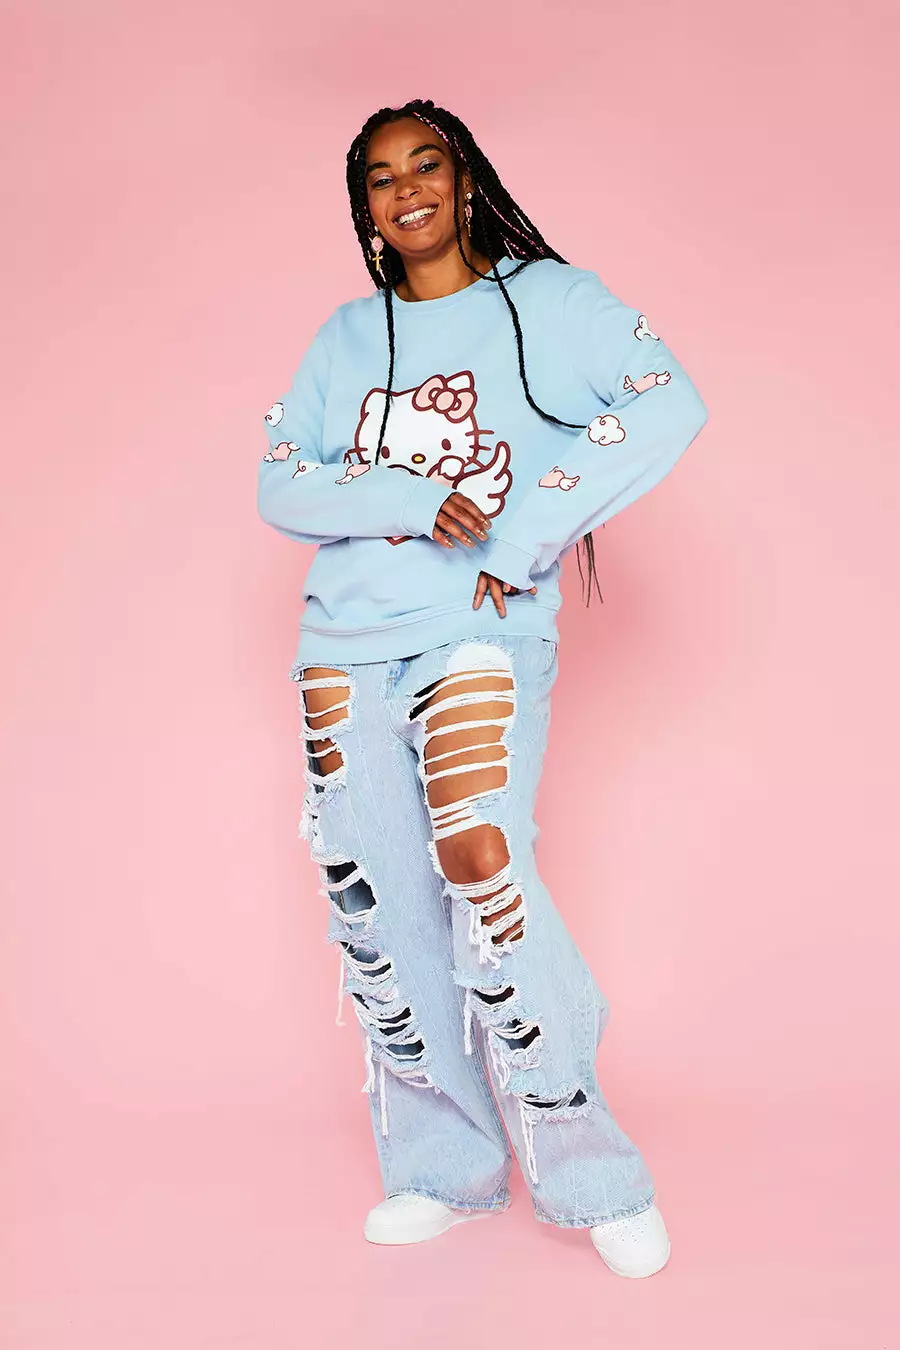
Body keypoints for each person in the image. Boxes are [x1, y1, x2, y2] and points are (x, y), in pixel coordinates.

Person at [257, 97, 707, 1277]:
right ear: (365, 208)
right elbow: (281, 480)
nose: (406, 189)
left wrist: (525, 537)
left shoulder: (549, 304)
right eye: (381, 177)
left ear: (464, 182)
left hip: (477, 634)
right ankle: (442, 1171)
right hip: (344, 642)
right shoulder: (343, 337)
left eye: (428, 165)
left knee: (481, 864)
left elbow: (667, 396)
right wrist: (413, 499)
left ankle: (594, 1175)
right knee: (381, 910)